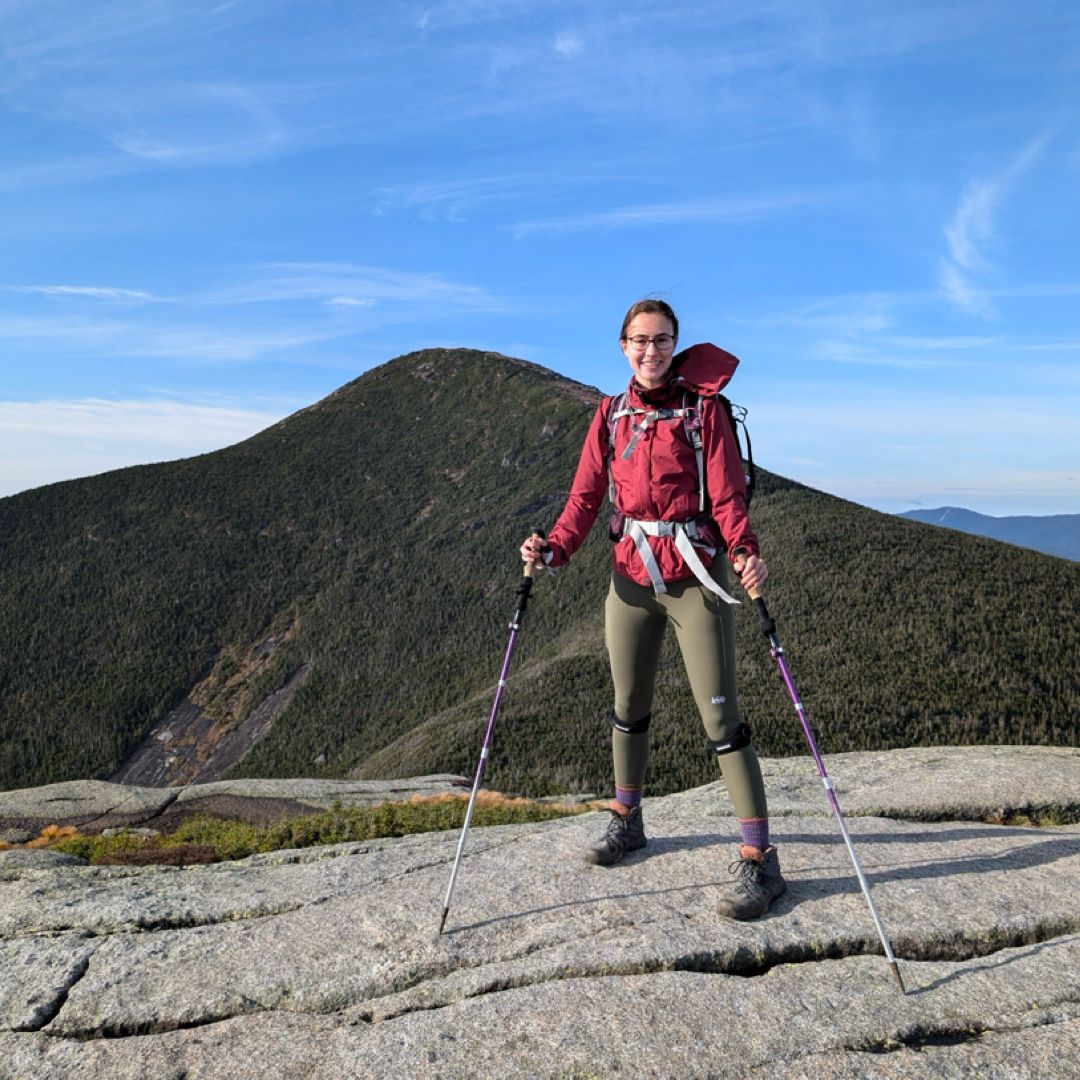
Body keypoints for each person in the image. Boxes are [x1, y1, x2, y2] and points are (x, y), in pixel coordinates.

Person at [520, 298, 786, 920]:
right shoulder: (610, 415)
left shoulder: (704, 411)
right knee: (628, 706)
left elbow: (727, 495)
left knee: (722, 721)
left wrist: (746, 552)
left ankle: (760, 861)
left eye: (661, 340)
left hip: (695, 579)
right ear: (622, 346)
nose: (651, 351)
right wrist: (553, 549)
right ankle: (627, 818)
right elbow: (585, 497)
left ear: (675, 343)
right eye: (640, 341)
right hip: (630, 579)